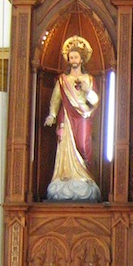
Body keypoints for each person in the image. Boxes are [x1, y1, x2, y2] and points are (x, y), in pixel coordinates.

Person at [44, 35, 101, 201]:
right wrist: (52, 114)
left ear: (81, 59)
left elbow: (95, 101)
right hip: (67, 117)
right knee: (65, 144)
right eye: (70, 57)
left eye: (75, 56)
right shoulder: (63, 80)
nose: (73, 59)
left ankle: (84, 175)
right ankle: (66, 175)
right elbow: (56, 99)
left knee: (83, 144)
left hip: (83, 115)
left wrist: (87, 90)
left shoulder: (88, 79)